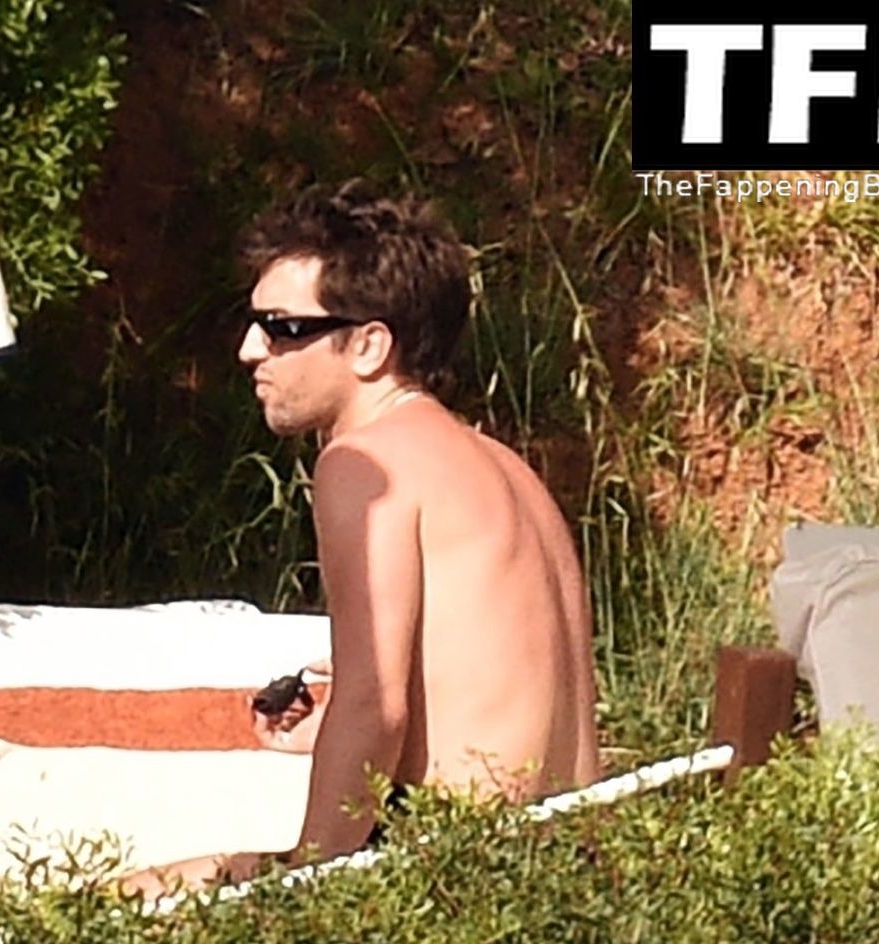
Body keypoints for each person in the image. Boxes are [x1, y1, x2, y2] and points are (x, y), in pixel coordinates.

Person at [123, 180, 598, 898]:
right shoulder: (507, 470)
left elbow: (377, 708)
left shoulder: (364, 464)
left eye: (282, 328)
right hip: (563, 866)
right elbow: (491, 707)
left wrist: (307, 892)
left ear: (370, 345)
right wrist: (330, 730)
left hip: (454, 873)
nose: (250, 349)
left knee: (127, 900)